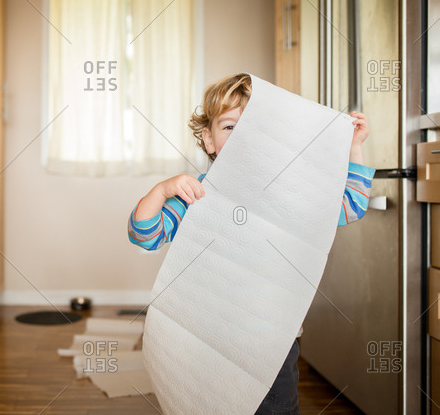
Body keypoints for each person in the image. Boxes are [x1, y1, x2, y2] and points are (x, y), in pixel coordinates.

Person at [127, 73, 375, 414]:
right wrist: (162, 191)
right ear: (208, 139)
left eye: (253, 129)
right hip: (206, 336)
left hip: (272, 340)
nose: (243, 137)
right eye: (230, 127)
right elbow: (146, 234)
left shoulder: (287, 195)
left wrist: (354, 146)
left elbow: (350, 205)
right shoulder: (195, 194)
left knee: (275, 409)